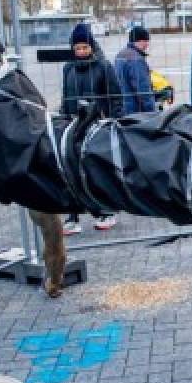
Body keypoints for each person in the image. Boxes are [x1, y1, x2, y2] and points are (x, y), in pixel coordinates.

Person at [61, 22, 122, 234]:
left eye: (85, 47)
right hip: (73, 125)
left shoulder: (104, 67)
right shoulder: (67, 68)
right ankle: (72, 215)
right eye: (77, 48)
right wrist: (63, 118)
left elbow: (115, 97)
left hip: (98, 126)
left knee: (96, 169)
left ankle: (106, 210)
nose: (81, 52)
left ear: (91, 45)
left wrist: (114, 121)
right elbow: (65, 96)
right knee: (69, 168)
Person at [114, 25, 155, 114]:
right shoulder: (136, 59)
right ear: (137, 40)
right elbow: (142, 88)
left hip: (123, 108)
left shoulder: (120, 55)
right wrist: (152, 111)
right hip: (136, 110)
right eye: (145, 41)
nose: (147, 44)